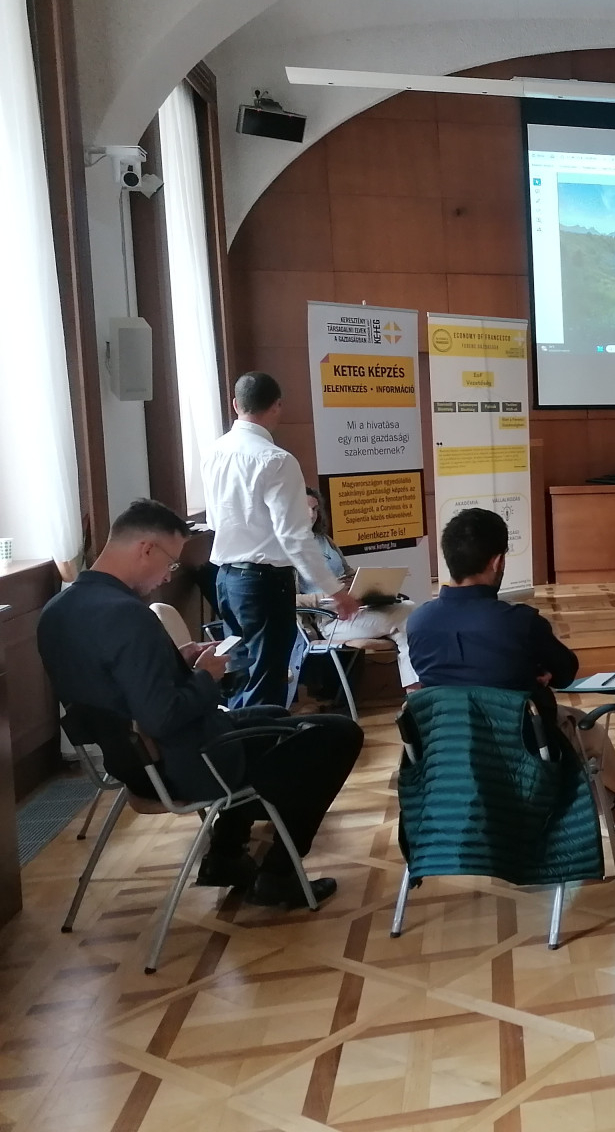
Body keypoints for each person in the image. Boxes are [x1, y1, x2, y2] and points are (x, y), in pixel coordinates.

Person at [36, 500, 362, 907]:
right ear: (146, 549)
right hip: (186, 763)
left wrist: (179, 661)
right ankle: (280, 874)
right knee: (339, 734)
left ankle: (226, 856)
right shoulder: (126, 615)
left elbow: (115, 686)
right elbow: (164, 716)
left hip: (132, 762)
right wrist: (206, 676)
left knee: (274, 714)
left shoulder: (57, 611)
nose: (167, 576)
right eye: (170, 563)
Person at [405, 507, 615, 825]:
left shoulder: (418, 622)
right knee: (586, 730)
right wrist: (533, 671)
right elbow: (565, 672)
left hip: (450, 753)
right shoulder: (519, 623)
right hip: (524, 751)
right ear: (497, 562)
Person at [204, 372, 358, 709]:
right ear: (277, 406)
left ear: (235, 404)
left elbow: (214, 520)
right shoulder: (276, 460)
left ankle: (240, 739)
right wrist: (335, 590)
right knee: (267, 680)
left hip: (226, 579)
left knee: (241, 673)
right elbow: (294, 536)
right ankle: (262, 740)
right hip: (264, 583)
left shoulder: (213, 452)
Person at [295, 487, 417, 690]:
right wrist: (330, 595)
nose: (311, 515)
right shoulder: (287, 549)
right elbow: (289, 600)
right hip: (330, 620)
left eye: (315, 509)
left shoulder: (325, 541)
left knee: (408, 614)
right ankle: (415, 692)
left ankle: (413, 691)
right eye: (305, 508)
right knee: (408, 617)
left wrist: (362, 582)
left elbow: (347, 572)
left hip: (356, 610)